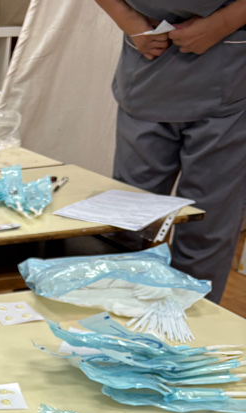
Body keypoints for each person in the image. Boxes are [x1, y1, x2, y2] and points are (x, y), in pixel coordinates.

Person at [94, 0, 246, 303]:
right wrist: (127, 20)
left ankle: (193, 326)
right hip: (150, 63)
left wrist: (224, 22)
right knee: (129, 222)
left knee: (206, 226)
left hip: (227, 71)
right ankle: (117, 322)